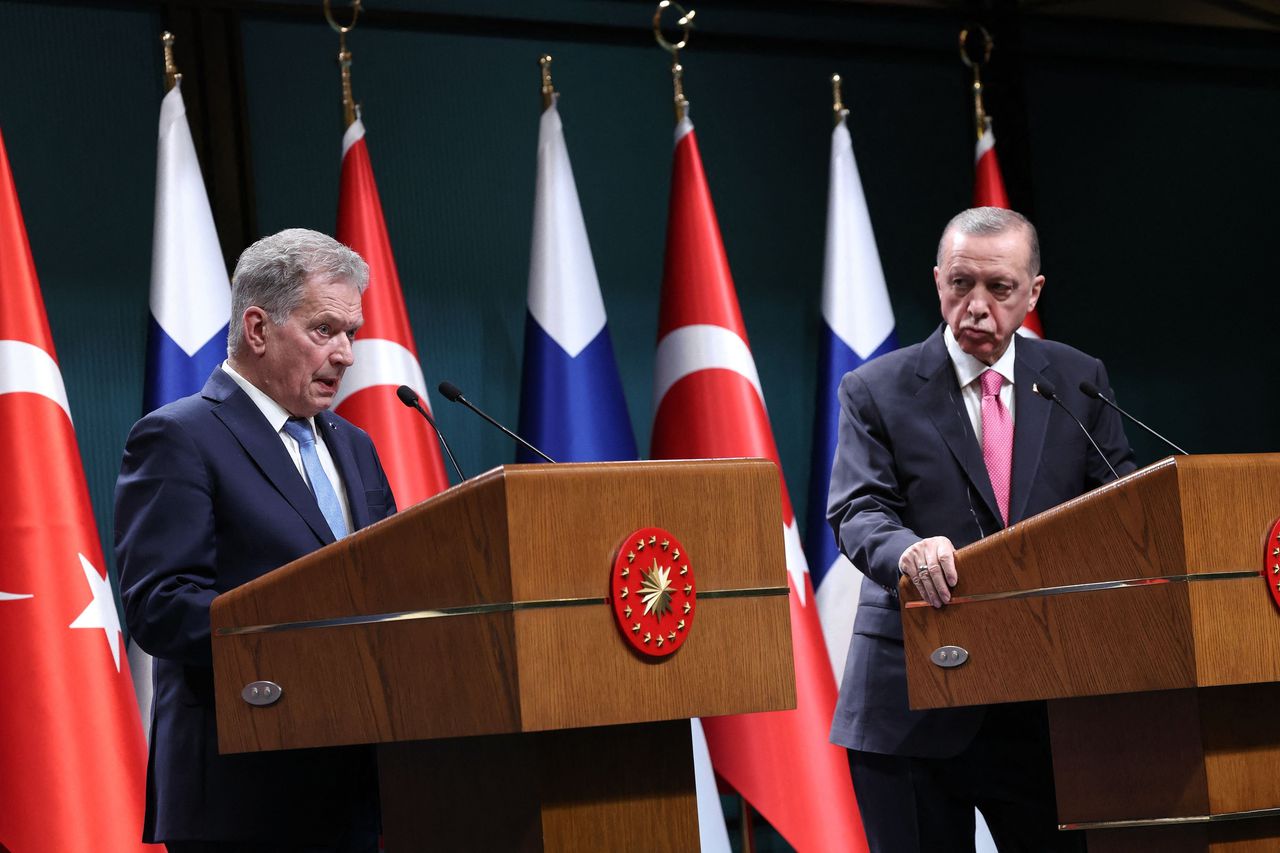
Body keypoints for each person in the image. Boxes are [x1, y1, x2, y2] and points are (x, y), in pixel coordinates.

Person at [827, 207, 1135, 852]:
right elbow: (857, 510)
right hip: (913, 700)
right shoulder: (876, 388)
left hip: (1044, 705)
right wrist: (908, 550)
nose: (975, 306)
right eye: (959, 284)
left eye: (998, 289)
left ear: (1033, 292)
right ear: (938, 279)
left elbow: (1122, 508)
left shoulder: (1078, 381)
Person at [115, 228, 396, 852]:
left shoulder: (354, 446)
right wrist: (306, 626)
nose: (347, 354)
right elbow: (160, 607)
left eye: (352, 331)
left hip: (356, 783)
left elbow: (387, 577)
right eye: (325, 329)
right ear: (259, 329)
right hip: (242, 794)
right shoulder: (179, 437)